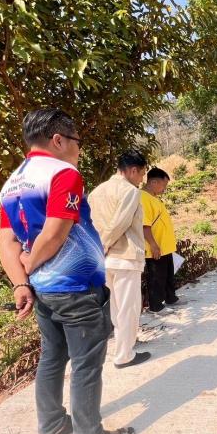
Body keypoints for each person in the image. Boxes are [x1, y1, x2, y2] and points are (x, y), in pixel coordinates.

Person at [0, 108, 134, 434]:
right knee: (87, 364)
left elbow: (6, 241)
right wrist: (32, 264)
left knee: (53, 356)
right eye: (76, 141)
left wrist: (21, 282)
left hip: (43, 291)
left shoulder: (12, 183)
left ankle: (53, 424)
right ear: (58, 140)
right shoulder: (63, 173)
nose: (78, 149)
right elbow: (56, 232)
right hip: (75, 287)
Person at [88, 150, 150, 369]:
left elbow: (91, 224)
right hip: (125, 257)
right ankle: (125, 355)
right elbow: (120, 224)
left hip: (105, 260)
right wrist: (105, 244)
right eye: (141, 174)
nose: (141, 179)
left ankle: (123, 346)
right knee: (128, 308)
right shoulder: (130, 191)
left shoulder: (96, 192)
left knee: (116, 307)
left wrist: (99, 250)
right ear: (132, 170)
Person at [140, 167, 178, 312]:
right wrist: (153, 245)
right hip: (156, 247)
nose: (164, 189)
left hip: (165, 246)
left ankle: (170, 298)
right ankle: (156, 306)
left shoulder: (154, 198)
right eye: (164, 185)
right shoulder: (143, 197)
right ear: (154, 182)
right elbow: (145, 225)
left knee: (167, 275)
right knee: (157, 277)